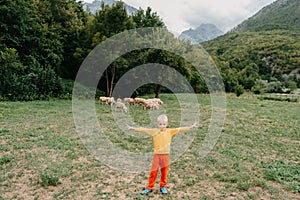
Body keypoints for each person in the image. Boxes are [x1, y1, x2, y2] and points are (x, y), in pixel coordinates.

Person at [127, 114, 198, 195]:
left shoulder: (170, 131)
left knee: (164, 172)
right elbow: (144, 130)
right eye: (160, 124)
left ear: (167, 124)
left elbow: (180, 129)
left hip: (166, 155)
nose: (162, 126)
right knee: (154, 171)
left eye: (164, 124)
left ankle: (162, 186)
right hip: (157, 155)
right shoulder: (154, 131)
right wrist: (133, 128)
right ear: (157, 124)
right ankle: (149, 187)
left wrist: (191, 127)